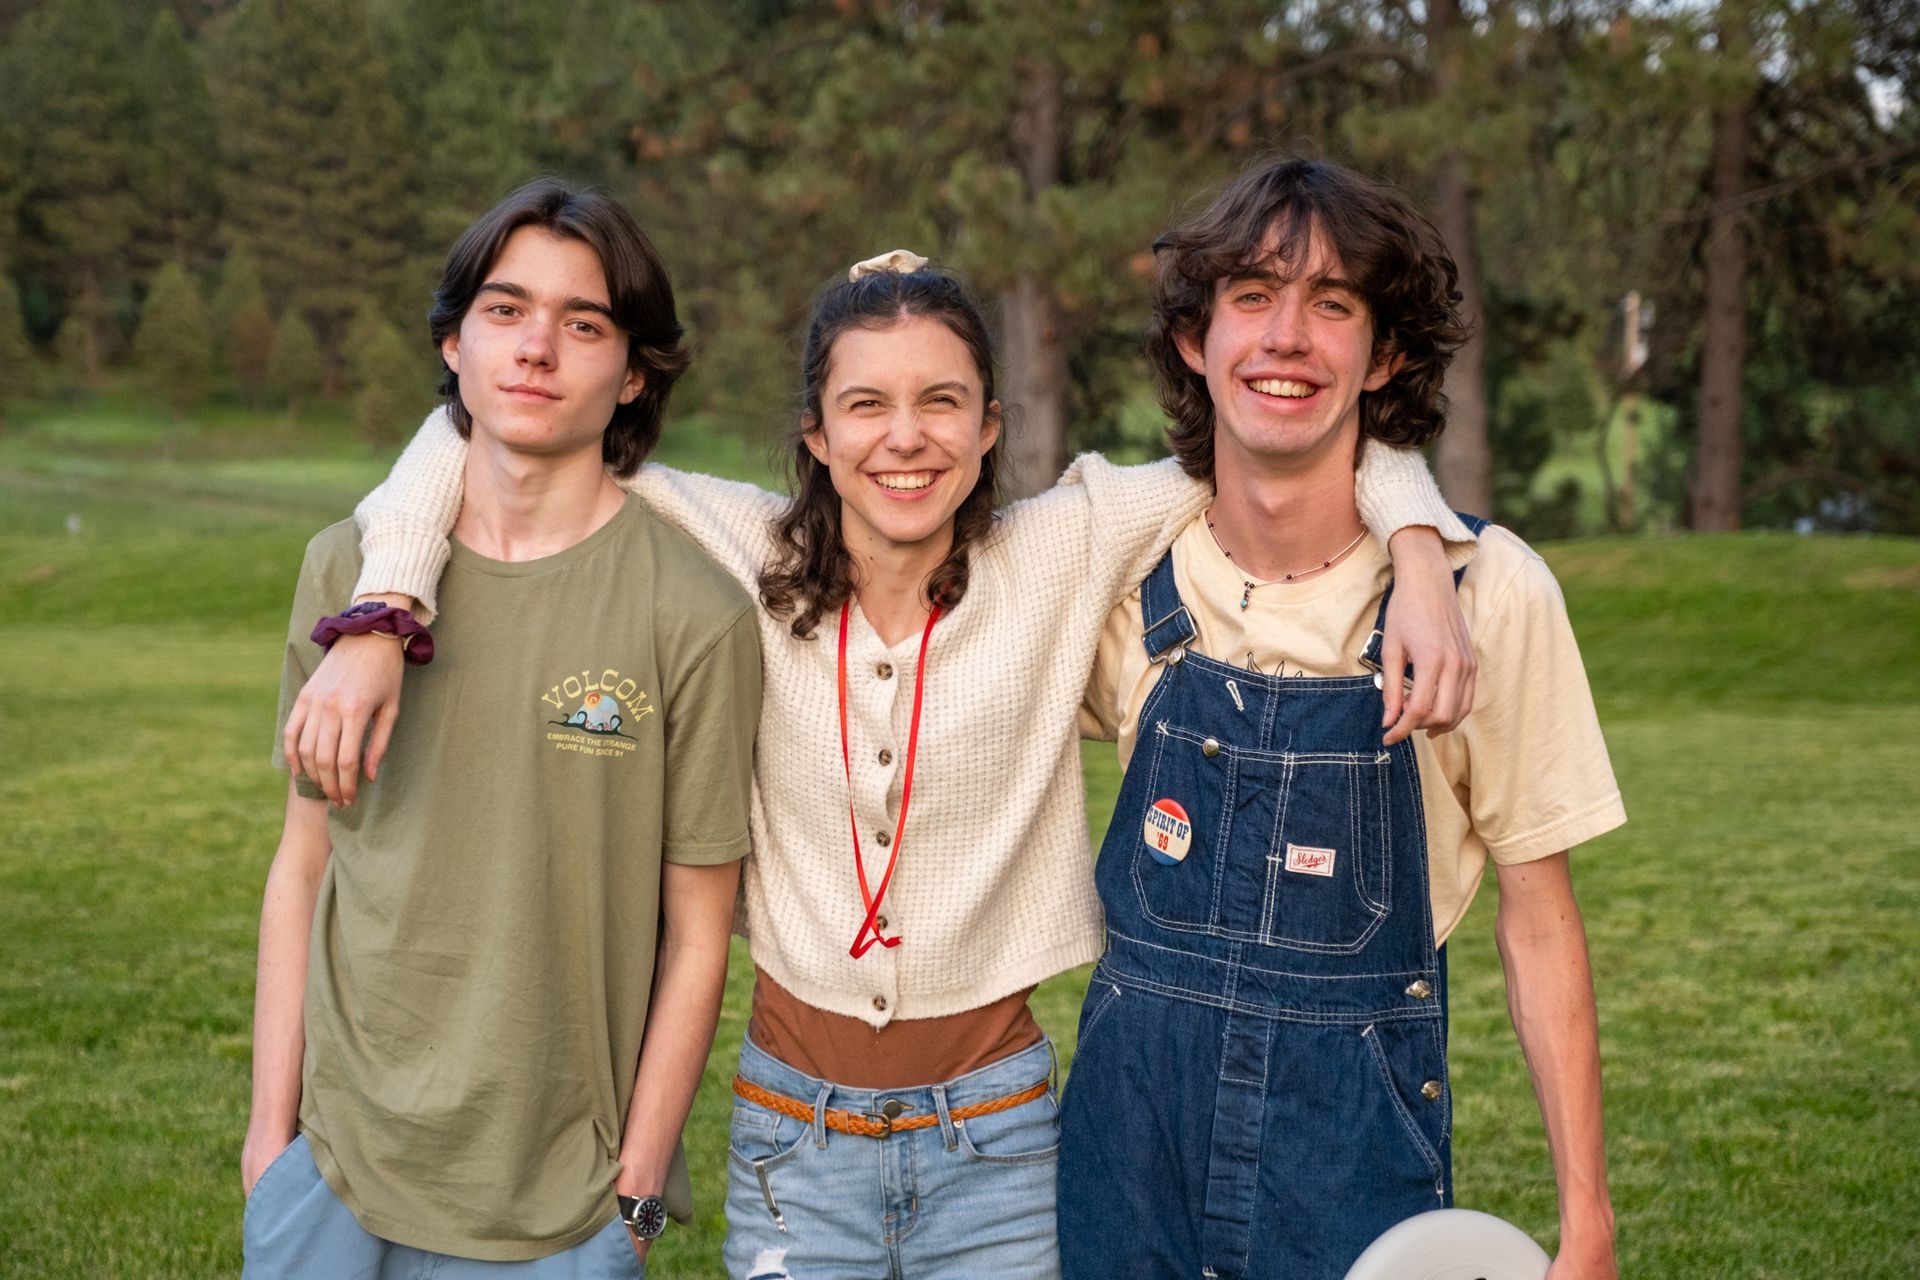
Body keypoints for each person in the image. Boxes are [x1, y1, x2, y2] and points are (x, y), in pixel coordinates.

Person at [286, 246, 1479, 1277]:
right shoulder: (733, 543)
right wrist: (386, 600)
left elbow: (1279, 430)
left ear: (991, 425)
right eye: (864, 404)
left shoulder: (1061, 545)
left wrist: (1419, 544)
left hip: (997, 1139)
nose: (905, 437)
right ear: (814, 430)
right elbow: (483, 428)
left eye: (942, 401)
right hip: (786, 1138)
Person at [1062, 156, 1624, 1279]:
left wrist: (1588, 1220)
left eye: (1333, 305)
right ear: (1194, 338)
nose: (1286, 338)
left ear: (1387, 352)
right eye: (1254, 297)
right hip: (1126, 1149)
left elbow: (1540, 917)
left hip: (1350, 1155)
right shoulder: (1112, 571)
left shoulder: (1485, 592)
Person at [241, 179, 761, 1278]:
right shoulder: (348, 574)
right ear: (453, 344)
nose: (538, 349)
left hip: (561, 1204)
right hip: (336, 1165)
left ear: (631, 373)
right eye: (506, 310)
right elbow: (302, 865)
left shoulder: (696, 612)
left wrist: (639, 1187)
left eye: (584, 323)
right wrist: (267, 1139)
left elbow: (699, 928)